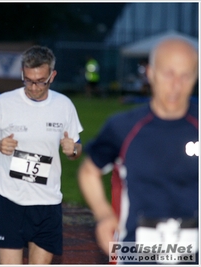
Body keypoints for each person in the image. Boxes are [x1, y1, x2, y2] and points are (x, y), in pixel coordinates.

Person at [77, 38, 198, 264]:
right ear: (150, 73)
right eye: (168, 74)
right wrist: (104, 215)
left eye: (185, 76)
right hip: (135, 254)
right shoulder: (123, 127)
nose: (176, 85)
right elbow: (88, 171)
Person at [0, 45, 83, 264]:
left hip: (47, 203)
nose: (34, 87)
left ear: (52, 75)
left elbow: (76, 148)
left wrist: (73, 150)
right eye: (28, 80)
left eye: (41, 81)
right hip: (10, 201)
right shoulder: (4, 103)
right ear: (22, 73)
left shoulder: (64, 105)